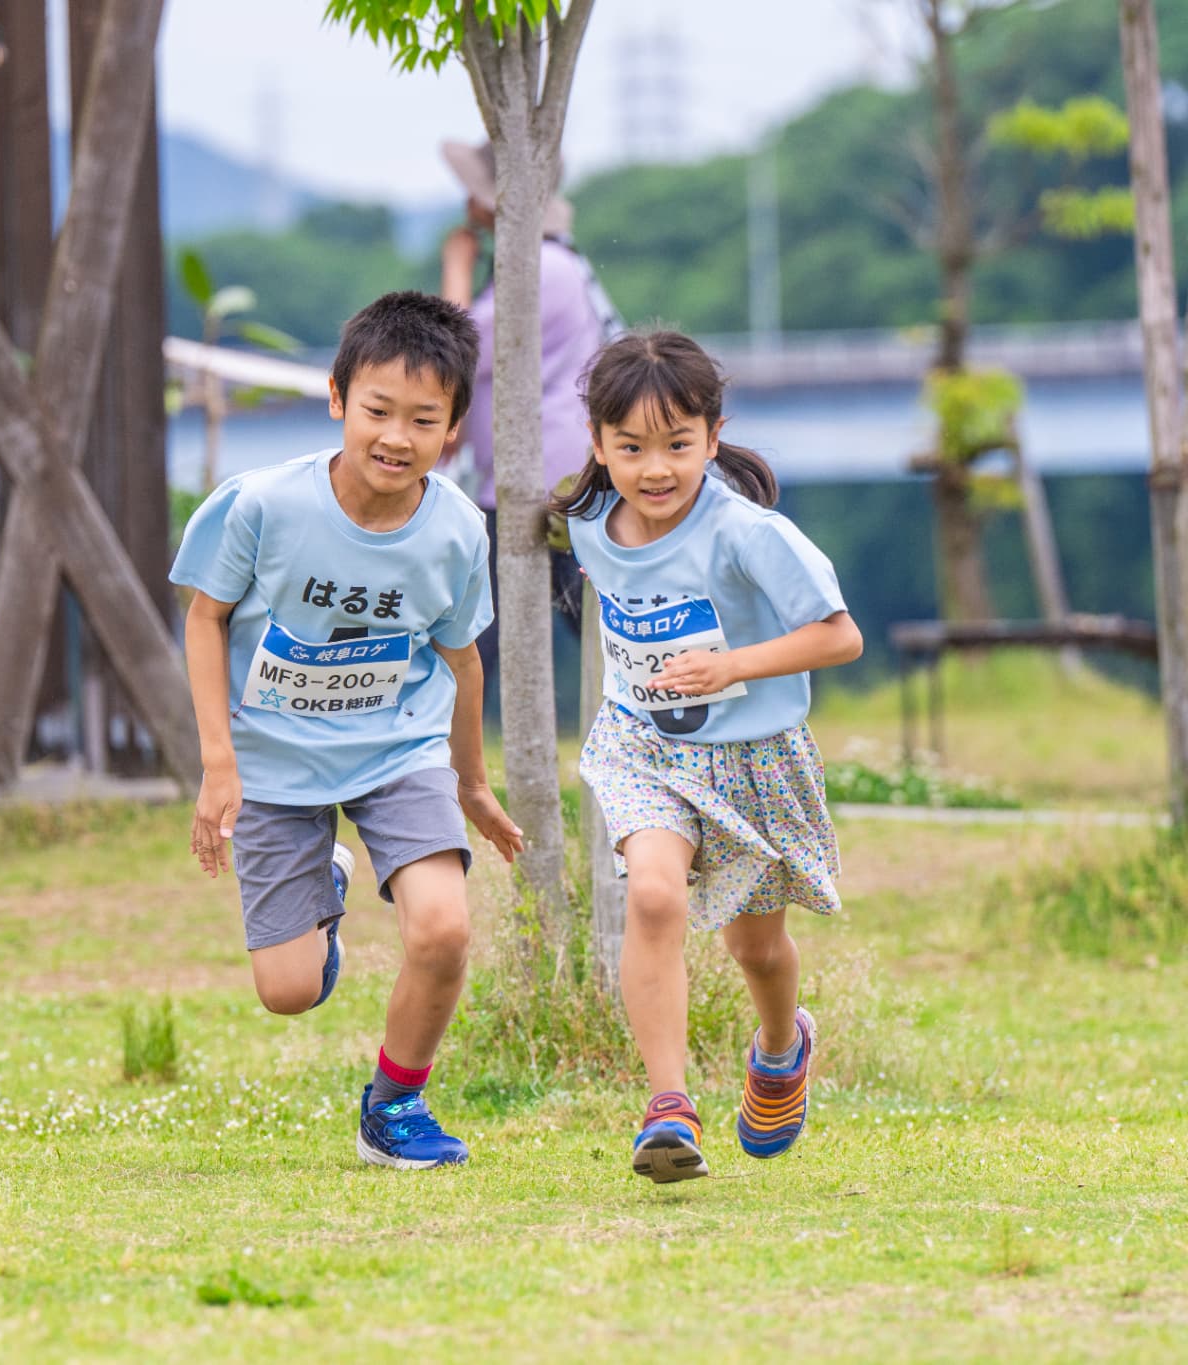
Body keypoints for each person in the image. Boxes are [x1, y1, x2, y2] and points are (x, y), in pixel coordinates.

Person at [172, 291, 525, 1170]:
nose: (396, 437)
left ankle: (395, 1105)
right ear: (337, 398)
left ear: (454, 429)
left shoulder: (452, 529)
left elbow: (464, 660)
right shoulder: (259, 506)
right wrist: (219, 763)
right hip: (274, 763)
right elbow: (204, 619)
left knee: (442, 929)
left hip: (397, 750)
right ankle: (324, 883)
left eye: (423, 419)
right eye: (377, 410)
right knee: (288, 992)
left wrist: (473, 784)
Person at [554, 330, 862, 1184]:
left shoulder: (749, 532)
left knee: (756, 949)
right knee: (652, 893)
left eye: (678, 445)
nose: (656, 468)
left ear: (713, 437)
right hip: (642, 745)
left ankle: (779, 1046)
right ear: (598, 443)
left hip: (753, 757)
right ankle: (668, 1107)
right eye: (632, 448)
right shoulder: (584, 521)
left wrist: (733, 665)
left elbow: (842, 636)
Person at [438, 140, 623, 715]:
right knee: (570, 618)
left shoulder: (543, 270)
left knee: (495, 625)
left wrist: (455, 267)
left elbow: (453, 349)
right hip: (546, 479)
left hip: (543, 484)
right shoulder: (555, 263)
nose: (468, 204)